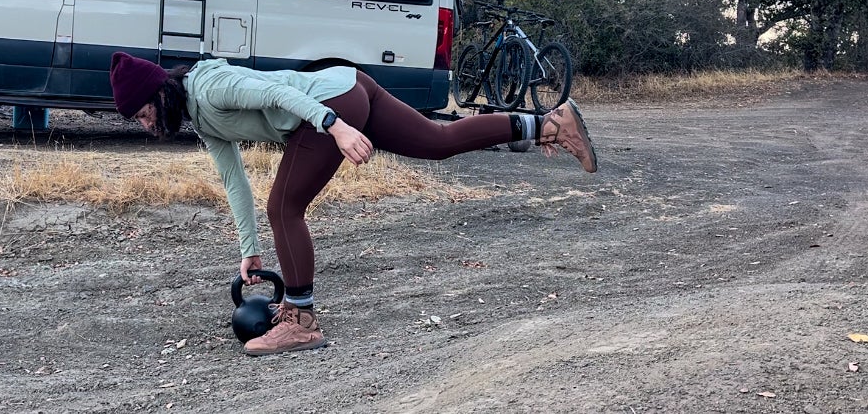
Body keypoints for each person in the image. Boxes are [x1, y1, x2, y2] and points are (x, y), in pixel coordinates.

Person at [108, 51, 597, 356]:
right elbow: (233, 177)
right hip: (348, 86)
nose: (146, 124)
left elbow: (276, 90)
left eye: (144, 113)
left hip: (331, 107)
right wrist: (249, 250)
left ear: (160, 92)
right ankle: (548, 125)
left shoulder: (211, 87)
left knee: (284, 208)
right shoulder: (202, 118)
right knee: (437, 140)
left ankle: (300, 321)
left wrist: (333, 126)